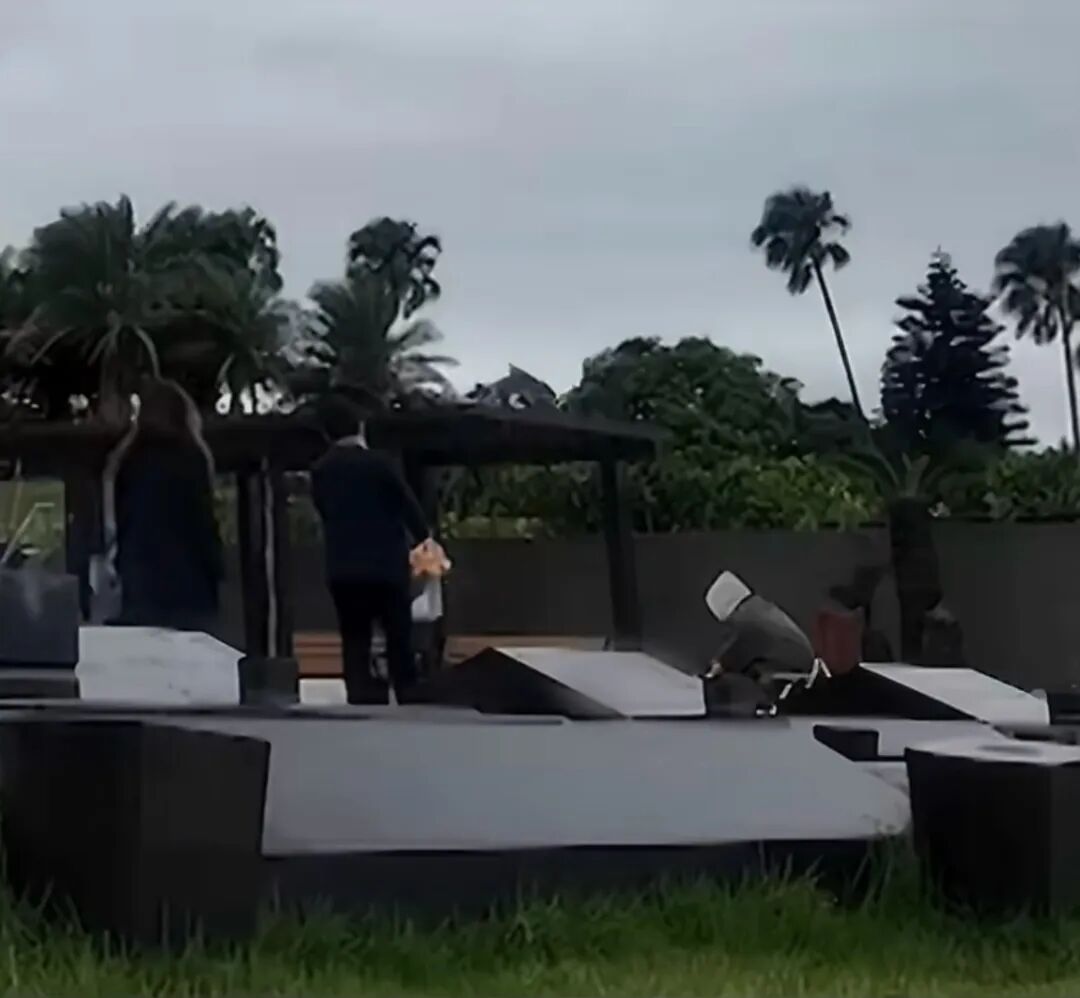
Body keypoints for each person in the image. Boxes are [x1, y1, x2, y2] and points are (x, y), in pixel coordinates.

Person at [311, 395, 431, 704]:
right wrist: (424, 537)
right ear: (361, 427)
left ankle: (360, 695)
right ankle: (407, 693)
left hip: (343, 568)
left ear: (326, 433)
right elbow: (409, 507)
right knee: (398, 635)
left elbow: (323, 510)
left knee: (355, 638)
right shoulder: (380, 464)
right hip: (385, 566)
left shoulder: (321, 470)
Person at [103, 378, 223, 631]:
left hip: (140, 579)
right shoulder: (191, 458)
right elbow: (201, 521)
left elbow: (121, 520)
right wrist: (216, 568)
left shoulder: (128, 459)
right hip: (189, 581)